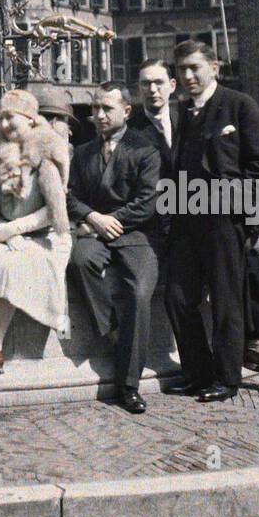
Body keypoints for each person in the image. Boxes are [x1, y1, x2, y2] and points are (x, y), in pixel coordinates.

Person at [164, 40, 259, 403]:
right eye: (181, 69)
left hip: (224, 221)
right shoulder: (184, 112)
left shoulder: (238, 105)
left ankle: (228, 379)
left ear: (214, 66)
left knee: (227, 300)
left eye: (194, 67)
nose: (187, 76)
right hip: (187, 222)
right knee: (177, 297)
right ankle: (197, 373)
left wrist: (253, 225)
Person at [67, 84, 162, 414]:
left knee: (139, 292)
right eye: (95, 108)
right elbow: (70, 196)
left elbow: (148, 201)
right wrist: (93, 218)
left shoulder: (145, 150)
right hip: (94, 233)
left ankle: (128, 385)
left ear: (126, 111)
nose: (99, 115)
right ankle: (113, 330)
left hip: (136, 235)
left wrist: (111, 220)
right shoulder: (83, 152)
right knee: (80, 261)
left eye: (107, 108)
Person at [0, 89, 71, 378]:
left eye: (11, 118)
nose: (4, 125)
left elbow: (54, 211)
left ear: (29, 118)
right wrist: (1, 227)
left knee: (9, 266)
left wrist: (16, 229)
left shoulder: (47, 152)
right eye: (1, 118)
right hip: (5, 232)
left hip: (43, 235)